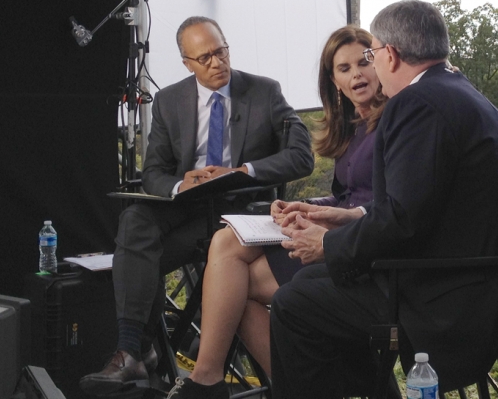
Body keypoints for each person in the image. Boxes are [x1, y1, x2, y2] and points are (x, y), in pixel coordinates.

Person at [270, 0, 498, 398]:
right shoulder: (454, 91)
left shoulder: (417, 103)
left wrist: (325, 243)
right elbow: (417, 204)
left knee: (295, 303)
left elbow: (404, 219)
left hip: (450, 294)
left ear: (390, 55)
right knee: (313, 283)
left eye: (370, 56)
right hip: (473, 276)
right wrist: (340, 220)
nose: (369, 68)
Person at [80, 16, 314, 396]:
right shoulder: (170, 100)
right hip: (190, 208)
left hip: (241, 213)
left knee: (140, 258)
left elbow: (301, 157)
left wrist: (244, 169)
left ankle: (145, 355)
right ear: (187, 63)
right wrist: (180, 182)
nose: (216, 63)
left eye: (220, 51)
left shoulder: (265, 92)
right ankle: (130, 351)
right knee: (136, 223)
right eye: (203, 58)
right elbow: (152, 171)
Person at [164, 25, 386, 398]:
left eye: (363, 63)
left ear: (380, 61)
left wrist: (321, 216)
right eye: (344, 69)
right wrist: (306, 206)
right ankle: (268, 385)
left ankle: (216, 382)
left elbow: (387, 204)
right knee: (226, 245)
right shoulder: (353, 126)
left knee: (234, 288)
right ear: (334, 81)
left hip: (355, 244)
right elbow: (345, 196)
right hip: (335, 229)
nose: (357, 75)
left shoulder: (394, 120)